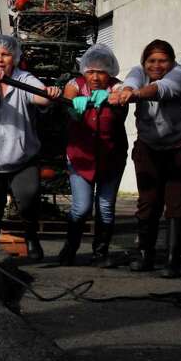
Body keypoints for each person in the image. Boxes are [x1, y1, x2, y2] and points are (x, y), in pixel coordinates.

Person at [110, 39, 181, 278]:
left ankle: (173, 260)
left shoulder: (179, 76)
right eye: (151, 61)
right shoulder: (137, 73)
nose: (157, 65)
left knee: (176, 203)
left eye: (162, 61)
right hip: (150, 149)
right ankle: (145, 254)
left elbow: (159, 90)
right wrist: (125, 90)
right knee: (148, 202)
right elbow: (130, 82)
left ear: (171, 62)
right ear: (145, 62)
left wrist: (134, 94)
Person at [0, 34, 61, 259]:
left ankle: (31, 235)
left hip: (22, 156)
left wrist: (49, 94)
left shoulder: (24, 78)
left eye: (6, 54)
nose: (0, 59)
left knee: (28, 197)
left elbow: (40, 96)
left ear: (15, 58)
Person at [59, 44, 128, 266]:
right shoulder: (74, 85)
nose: (95, 77)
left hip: (111, 156)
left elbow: (121, 107)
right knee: (81, 208)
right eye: (90, 71)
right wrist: (74, 107)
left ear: (110, 72)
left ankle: (100, 253)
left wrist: (109, 100)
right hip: (80, 157)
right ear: (84, 71)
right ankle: (70, 248)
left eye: (101, 71)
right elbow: (68, 104)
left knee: (106, 208)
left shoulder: (118, 88)